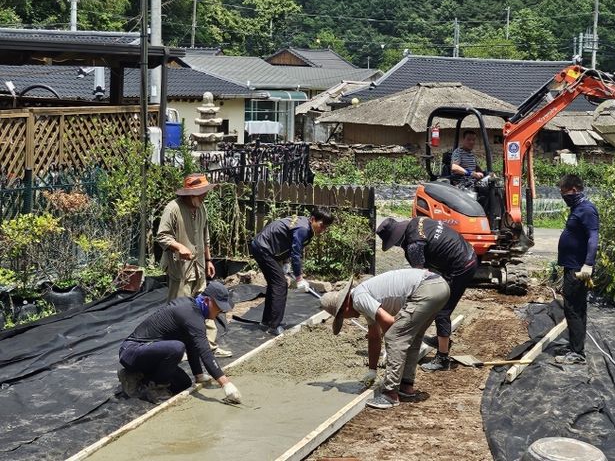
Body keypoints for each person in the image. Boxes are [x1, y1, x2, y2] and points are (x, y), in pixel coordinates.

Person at [320, 269, 450, 409]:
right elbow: (374, 337)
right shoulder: (363, 298)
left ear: (344, 307)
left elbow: (389, 323)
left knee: (395, 336)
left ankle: (390, 394)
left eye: (342, 317)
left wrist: (392, 350)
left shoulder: (358, 298)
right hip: (439, 287)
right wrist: (372, 370)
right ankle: (406, 386)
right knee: (413, 337)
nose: (347, 318)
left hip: (425, 289)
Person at [377, 216, 478, 371]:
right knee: (436, 300)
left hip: (461, 266)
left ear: (397, 238)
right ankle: (442, 339)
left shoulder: (414, 246)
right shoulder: (417, 222)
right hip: (465, 254)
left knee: (442, 309)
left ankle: (443, 359)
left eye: (394, 243)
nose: (396, 245)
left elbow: (421, 278)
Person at [117, 281, 242, 404]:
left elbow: (193, 344)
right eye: (219, 307)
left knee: (184, 383)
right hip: (132, 352)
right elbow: (205, 352)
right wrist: (226, 384)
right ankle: (155, 388)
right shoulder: (189, 313)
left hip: (149, 354)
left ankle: (136, 376)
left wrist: (198, 375)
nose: (220, 311)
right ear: (207, 301)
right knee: (177, 348)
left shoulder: (194, 312)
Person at [156, 173, 232, 358]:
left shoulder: (201, 208)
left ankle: (210, 346)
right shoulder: (173, 208)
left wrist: (208, 260)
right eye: (201, 193)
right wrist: (178, 247)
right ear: (190, 194)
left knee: (207, 305)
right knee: (179, 309)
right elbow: (162, 236)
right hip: (180, 269)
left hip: (199, 267)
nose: (205, 195)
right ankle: (177, 349)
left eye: (205, 192)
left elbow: (205, 237)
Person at [250, 208, 335, 336]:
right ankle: (273, 326)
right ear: (313, 219)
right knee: (280, 284)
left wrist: (285, 263)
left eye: (325, 228)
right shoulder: (303, 229)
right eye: (321, 225)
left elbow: (287, 242)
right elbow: (296, 254)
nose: (322, 230)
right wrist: (299, 278)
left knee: (275, 284)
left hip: (263, 246)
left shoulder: (304, 223)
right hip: (263, 248)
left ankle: (267, 322)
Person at [555, 174, 599, 365]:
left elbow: (593, 237)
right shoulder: (578, 207)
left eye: (564, 192)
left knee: (573, 308)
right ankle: (575, 345)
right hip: (572, 266)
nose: (563, 196)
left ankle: (577, 353)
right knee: (576, 307)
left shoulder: (587, 209)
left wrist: (588, 264)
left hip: (579, 269)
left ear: (573, 189)